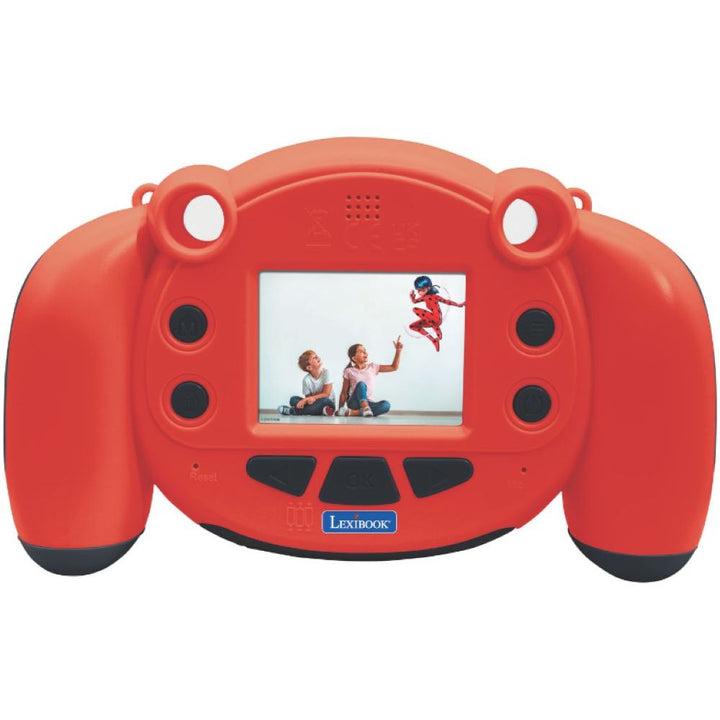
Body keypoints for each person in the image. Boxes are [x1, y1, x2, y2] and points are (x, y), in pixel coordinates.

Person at [336, 338, 403, 417]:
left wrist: (398, 351)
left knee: (386, 405)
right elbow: (344, 393)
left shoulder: (372, 367)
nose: (365, 352)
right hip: (354, 403)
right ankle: (365, 409)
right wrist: (340, 409)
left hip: (369, 402)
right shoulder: (349, 371)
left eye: (365, 350)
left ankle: (356, 412)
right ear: (354, 358)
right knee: (361, 384)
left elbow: (393, 367)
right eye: (361, 351)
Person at [409, 275, 465, 351]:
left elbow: (447, 301)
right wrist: (412, 296)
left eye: (422, 290)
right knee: (412, 326)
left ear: (428, 288)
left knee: (415, 309)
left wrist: (458, 305)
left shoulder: (435, 297)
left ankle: (435, 328)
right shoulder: (424, 297)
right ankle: (433, 340)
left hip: (436, 318)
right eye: (418, 290)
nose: (420, 292)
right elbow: (414, 301)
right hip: (430, 319)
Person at [278, 350, 336, 416]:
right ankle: (319, 411)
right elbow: (308, 401)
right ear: (309, 367)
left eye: (317, 356)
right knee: (293, 399)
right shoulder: (306, 380)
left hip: (328, 403)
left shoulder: (327, 372)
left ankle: (293, 411)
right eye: (314, 357)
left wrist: (308, 399)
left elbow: (326, 394)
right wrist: (308, 400)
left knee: (324, 401)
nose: (318, 357)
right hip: (316, 404)